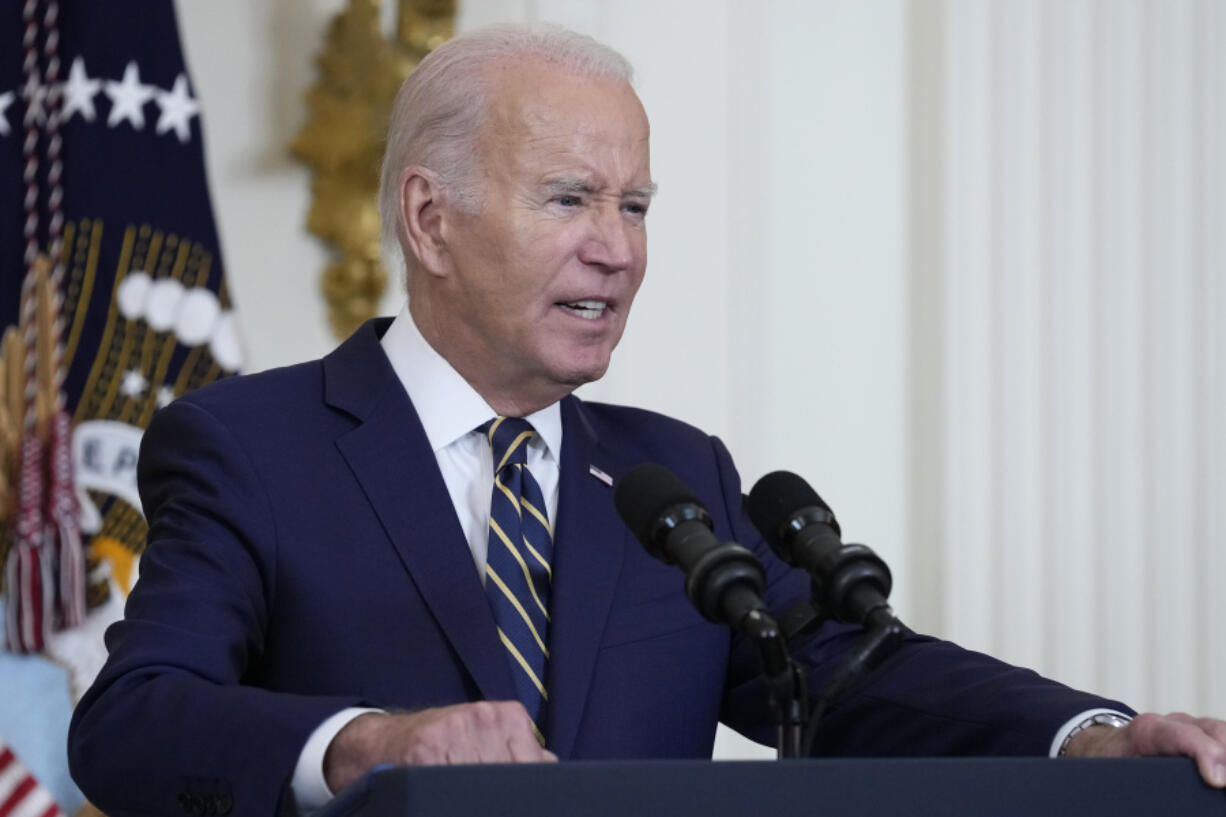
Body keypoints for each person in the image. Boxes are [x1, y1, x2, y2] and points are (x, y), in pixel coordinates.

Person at [68, 22, 1226, 817]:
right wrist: (367, 743)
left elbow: (854, 674)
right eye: (569, 199)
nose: (616, 248)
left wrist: (1092, 735)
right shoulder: (249, 448)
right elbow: (133, 723)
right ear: (429, 220)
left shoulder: (672, 478)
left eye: (633, 205)